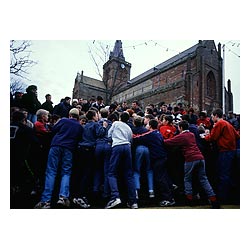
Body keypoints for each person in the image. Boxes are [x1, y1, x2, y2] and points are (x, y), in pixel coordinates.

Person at [34, 108, 83, 209]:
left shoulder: (63, 120)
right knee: (66, 172)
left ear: (69, 114)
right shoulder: (79, 126)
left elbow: (53, 130)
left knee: (51, 172)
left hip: (56, 146)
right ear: (78, 116)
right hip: (69, 148)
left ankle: (45, 201)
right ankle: (63, 197)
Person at [164, 120, 220, 208]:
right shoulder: (192, 135)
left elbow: (168, 142)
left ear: (181, 128)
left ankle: (189, 199)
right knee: (204, 179)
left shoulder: (182, 136)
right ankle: (213, 199)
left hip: (190, 158)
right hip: (200, 158)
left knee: (187, 179)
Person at [133, 119, 175, 207]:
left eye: (148, 124)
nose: (146, 126)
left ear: (151, 126)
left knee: (160, 179)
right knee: (164, 177)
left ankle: (168, 199)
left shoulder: (150, 134)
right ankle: (171, 196)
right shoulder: (158, 133)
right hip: (163, 157)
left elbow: (137, 138)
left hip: (157, 158)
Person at [203, 108, 240, 204]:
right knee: (230, 174)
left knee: (223, 175)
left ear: (216, 116)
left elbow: (212, 137)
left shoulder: (219, 124)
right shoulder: (228, 124)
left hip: (224, 151)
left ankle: (222, 197)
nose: (211, 118)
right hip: (232, 151)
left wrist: (204, 137)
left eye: (212, 117)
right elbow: (237, 136)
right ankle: (232, 196)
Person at [71, 109, 107, 208]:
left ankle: (76, 195)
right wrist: (104, 127)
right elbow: (100, 134)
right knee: (87, 174)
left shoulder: (84, 125)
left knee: (79, 173)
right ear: (94, 116)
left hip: (80, 149)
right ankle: (81, 196)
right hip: (89, 150)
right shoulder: (95, 124)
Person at [105, 111, 138, 209]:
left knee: (111, 172)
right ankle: (133, 201)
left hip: (117, 146)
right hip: (127, 147)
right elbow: (130, 139)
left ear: (119, 117)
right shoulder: (129, 127)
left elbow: (109, 135)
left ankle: (115, 196)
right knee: (129, 174)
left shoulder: (115, 123)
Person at [131, 116, 154, 199]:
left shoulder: (132, 130)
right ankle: (151, 190)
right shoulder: (146, 130)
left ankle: (136, 191)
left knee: (136, 170)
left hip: (137, 149)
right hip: (147, 149)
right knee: (149, 170)